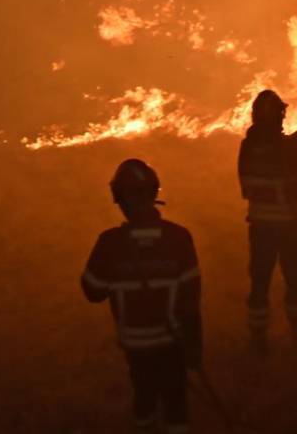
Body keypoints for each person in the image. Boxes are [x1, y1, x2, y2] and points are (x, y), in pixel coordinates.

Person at [82, 159, 202, 434]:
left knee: (144, 397)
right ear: (154, 193)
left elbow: (92, 291)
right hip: (173, 341)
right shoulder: (179, 238)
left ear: (119, 199)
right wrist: (194, 351)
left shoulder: (109, 242)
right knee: (176, 402)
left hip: (135, 343)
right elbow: (191, 301)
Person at [240, 89, 297, 352]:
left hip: (260, 228)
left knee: (260, 283)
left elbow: (250, 183)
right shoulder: (287, 148)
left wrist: (292, 143)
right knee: (294, 282)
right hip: (289, 227)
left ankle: (258, 340)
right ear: (277, 116)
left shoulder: (248, 146)